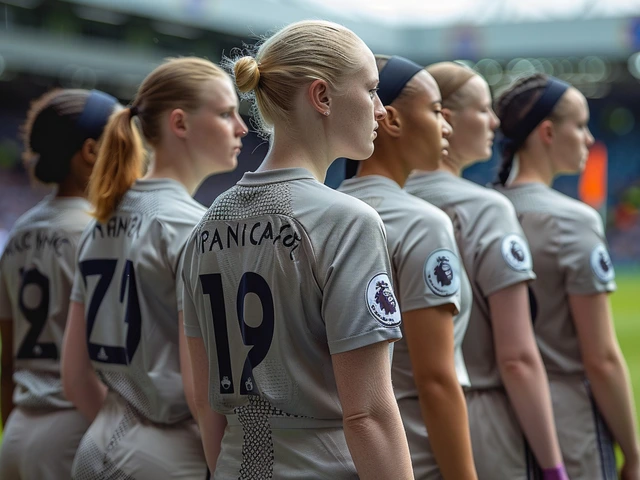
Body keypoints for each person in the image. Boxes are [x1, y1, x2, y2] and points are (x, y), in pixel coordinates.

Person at [181, 20, 414, 479]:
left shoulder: (204, 225)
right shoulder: (348, 221)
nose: (382, 109)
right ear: (322, 97)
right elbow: (367, 414)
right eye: (370, 90)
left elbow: (204, 400)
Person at [61, 57, 247, 479]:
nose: (242, 127)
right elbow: (201, 390)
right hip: (169, 455)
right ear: (179, 123)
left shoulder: (101, 222)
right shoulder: (192, 226)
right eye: (225, 113)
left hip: (97, 444)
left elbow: (74, 376)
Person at [404, 62, 567, 480]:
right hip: (480, 421)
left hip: (400, 425)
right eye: (483, 109)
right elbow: (516, 358)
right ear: (446, 119)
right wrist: (553, 466)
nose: (494, 121)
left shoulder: (373, 205)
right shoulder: (486, 208)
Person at [494, 73, 640, 480]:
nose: (589, 139)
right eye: (580, 125)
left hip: (495, 425)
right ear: (547, 132)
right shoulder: (573, 220)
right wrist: (634, 450)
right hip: (568, 424)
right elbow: (602, 358)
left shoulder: (478, 211)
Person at [338, 55, 476, 480]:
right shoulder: (421, 222)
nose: (446, 126)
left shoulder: (327, 212)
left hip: (340, 453)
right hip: (415, 455)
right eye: (436, 112)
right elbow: (435, 379)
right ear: (391, 120)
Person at [0, 88, 119, 479]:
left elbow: (7, 360)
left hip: (18, 428)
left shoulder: (21, 231)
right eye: (119, 139)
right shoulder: (100, 233)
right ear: (89, 152)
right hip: (74, 430)